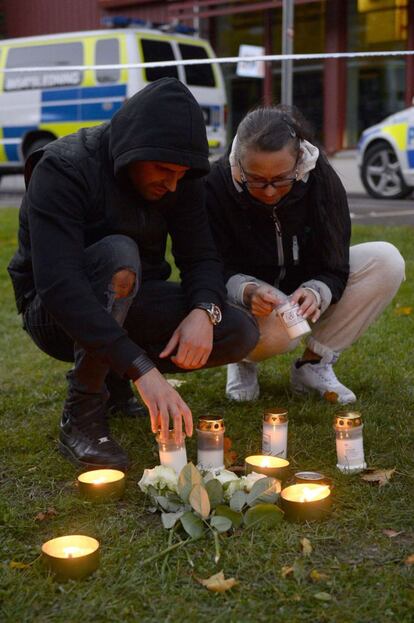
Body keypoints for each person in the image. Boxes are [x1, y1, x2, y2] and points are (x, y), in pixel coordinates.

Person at [7, 78, 258, 471]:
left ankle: (114, 381)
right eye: (162, 169)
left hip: (133, 295)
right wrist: (143, 368)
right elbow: (58, 285)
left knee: (238, 330)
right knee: (119, 256)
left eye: (179, 174)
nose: (172, 183)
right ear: (131, 148)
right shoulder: (63, 168)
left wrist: (204, 311)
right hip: (54, 312)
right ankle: (83, 411)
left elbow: (202, 256)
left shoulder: (181, 177)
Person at [205, 105, 405, 404]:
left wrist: (317, 289)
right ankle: (243, 360)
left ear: (299, 162)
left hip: (299, 289)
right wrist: (246, 290)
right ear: (239, 166)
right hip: (246, 300)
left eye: (281, 179)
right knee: (285, 330)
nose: (270, 191)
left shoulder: (320, 176)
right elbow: (207, 266)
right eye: (257, 181)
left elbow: (336, 262)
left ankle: (313, 363)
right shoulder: (214, 184)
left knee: (386, 260)